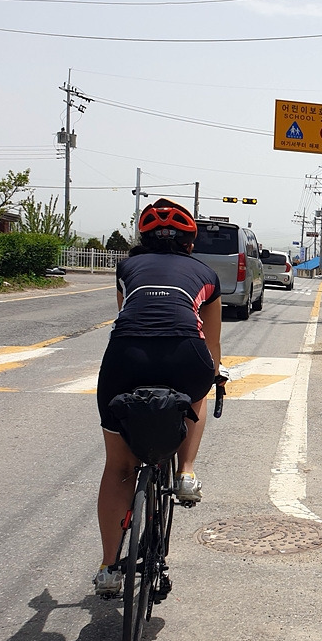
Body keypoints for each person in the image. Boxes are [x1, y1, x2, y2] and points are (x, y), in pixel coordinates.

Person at [92, 198, 223, 595]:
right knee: (199, 389)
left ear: (143, 241)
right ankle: (186, 473)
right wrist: (215, 375)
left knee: (119, 467)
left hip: (126, 358)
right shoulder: (206, 274)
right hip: (185, 355)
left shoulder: (126, 269)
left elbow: (126, 316)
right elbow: (212, 342)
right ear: (190, 243)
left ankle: (109, 568)